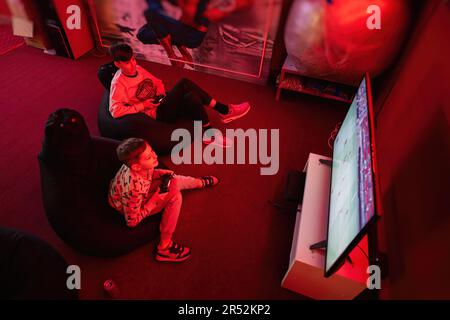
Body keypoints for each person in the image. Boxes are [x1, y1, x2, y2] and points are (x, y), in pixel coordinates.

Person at [109, 43, 251, 148]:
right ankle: (224, 110)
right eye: (127, 63)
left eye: (133, 59)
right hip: (158, 113)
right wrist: (142, 105)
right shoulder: (118, 84)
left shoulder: (138, 69)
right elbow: (115, 111)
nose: (133, 64)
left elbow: (157, 82)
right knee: (184, 83)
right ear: (117, 64)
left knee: (193, 96)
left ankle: (209, 134)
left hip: (162, 102)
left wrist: (160, 93)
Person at [109, 138, 219, 262]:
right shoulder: (133, 190)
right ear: (136, 167)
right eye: (148, 157)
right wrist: (154, 201)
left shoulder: (138, 167)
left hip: (140, 193)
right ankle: (164, 247)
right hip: (129, 207)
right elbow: (132, 222)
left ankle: (198, 183)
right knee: (175, 196)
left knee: (173, 180)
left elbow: (148, 174)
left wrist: (160, 173)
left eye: (152, 152)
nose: (155, 156)